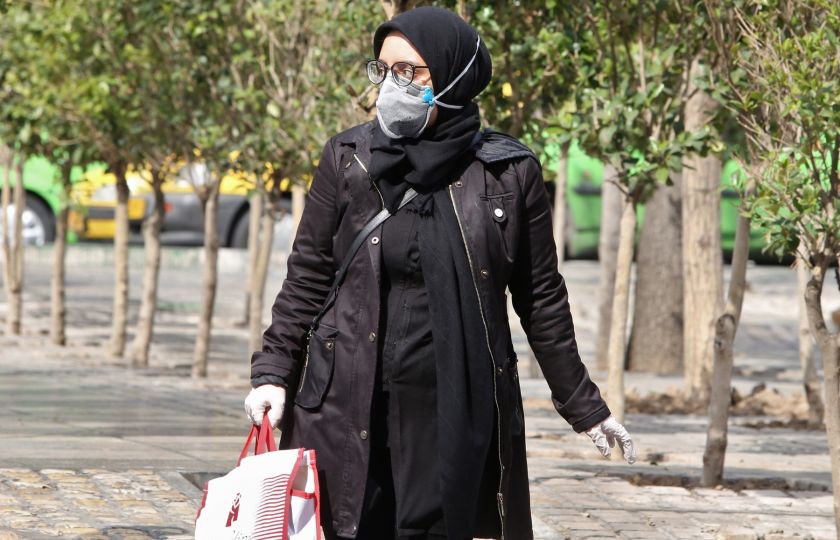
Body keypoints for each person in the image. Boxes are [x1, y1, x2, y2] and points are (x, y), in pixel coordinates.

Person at [244, 7, 634, 540]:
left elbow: (541, 300)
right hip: (345, 399)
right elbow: (309, 275)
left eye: (409, 72)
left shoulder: (507, 172)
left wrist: (584, 406)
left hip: (450, 410)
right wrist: (272, 372)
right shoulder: (349, 158)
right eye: (383, 70)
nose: (391, 86)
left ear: (453, 76)